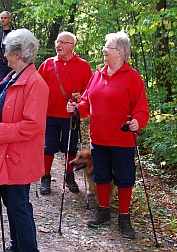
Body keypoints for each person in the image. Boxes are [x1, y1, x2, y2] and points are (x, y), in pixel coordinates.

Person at [0, 28, 48, 251]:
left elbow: (33, 125)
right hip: (7, 153)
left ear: (18, 54)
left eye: (7, 51)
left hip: (20, 155)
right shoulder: (12, 77)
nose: (4, 55)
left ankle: (27, 249)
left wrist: (0, 130)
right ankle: (16, 245)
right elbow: (2, 109)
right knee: (12, 203)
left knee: (18, 206)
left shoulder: (35, 83)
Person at [67, 31, 149, 239]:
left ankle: (124, 217)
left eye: (107, 47)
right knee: (101, 176)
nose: (103, 50)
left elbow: (142, 109)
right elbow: (87, 103)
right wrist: (77, 108)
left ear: (120, 52)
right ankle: (103, 212)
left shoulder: (133, 77)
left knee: (124, 179)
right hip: (99, 138)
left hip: (122, 139)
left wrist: (137, 122)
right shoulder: (97, 75)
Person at [38, 31, 92, 195]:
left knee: (70, 148)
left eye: (63, 42)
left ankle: (69, 176)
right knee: (48, 147)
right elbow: (37, 87)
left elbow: (90, 91)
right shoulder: (48, 64)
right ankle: (45, 177)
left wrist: (80, 96)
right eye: (57, 41)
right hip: (49, 113)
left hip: (71, 116)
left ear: (72, 46)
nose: (58, 45)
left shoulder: (83, 65)